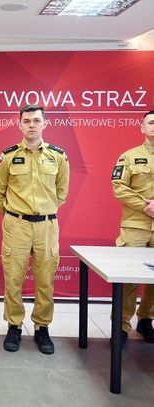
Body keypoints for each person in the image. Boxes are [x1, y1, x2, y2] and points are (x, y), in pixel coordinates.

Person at [0, 104, 70, 354]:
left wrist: (44, 212)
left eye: (36, 120)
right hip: (17, 226)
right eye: (26, 121)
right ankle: (14, 325)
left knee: (46, 280)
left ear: (45, 124)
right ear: (19, 125)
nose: (32, 125)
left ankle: (42, 327)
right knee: (13, 278)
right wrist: (15, 216)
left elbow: (61, 193)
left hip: (47, 226)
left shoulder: (58, 156)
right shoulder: (7, 157)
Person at [111, 110, 154, 346]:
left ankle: (146, 320)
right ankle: (121, 326)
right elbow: (119, 187)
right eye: (151, 122)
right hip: (135, 225)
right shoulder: (129, 157)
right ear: (142, 128)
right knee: (127, 280)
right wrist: (145, 206)